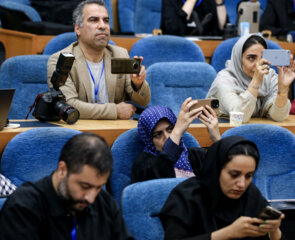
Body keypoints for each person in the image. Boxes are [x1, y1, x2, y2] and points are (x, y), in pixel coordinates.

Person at [0, 133, 133, 240]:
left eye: (99, 187)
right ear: (62, 170)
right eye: (84, 186)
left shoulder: (103, 201)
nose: (91, 198)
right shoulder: (23, 207)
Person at [159, 136, 285, 239]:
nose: (242, 184)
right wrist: (228, 233)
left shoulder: (251, 195)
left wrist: (274, 232)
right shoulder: (186, 197)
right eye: (234, 175)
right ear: (217, 170)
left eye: (249, 176)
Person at [47, 0, 150, 120]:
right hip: (78, 130)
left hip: (114, 129)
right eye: (94, 20)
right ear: (77, 29)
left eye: (106, 20)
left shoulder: (119, 54)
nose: (102, 26)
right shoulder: (60, 60)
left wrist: (138, 84)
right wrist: (115, 111)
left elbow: (144, 101)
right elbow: (68, 105)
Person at [207, 34, 295, 123]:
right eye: (251, 58)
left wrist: (282, 90)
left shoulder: (269, 77)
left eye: (262, 58)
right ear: (238, 59)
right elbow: (240, 117)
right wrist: (255, 82)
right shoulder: (224, 80)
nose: (258, 64)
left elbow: (278, 116)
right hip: (225, 134)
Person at [131, 97, 221, 183]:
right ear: (149, 140)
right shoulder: (143, 166)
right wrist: (177, 131)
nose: (167, 138)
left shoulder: (194, 156)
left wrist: (216, 138)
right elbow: (164, 164)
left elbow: (226, 169)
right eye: (158, 135)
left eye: (170, 129)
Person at [161, 0, 227, 36]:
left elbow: (223, 29)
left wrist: (219, 3)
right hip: (176, 48)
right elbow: (173, 31)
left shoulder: (208, 2)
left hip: (206, 49)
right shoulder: (170, 1)